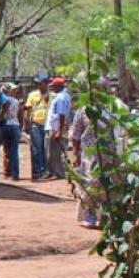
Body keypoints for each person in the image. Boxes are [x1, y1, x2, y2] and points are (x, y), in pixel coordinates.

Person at [70, 78, 123, 229]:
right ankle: (90, 215)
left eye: (101, 89)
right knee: (90, 185)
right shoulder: (83, 110)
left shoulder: (112, 109)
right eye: (94, 89)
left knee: (110, 186)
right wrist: (75, 154)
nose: (97, 92)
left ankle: (107, 216)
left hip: (109, 154)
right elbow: (75, 134)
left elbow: (120, 130)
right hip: (90, 155)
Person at [24, 75, 51, 181]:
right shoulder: (32, 95)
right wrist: (26, 124)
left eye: (40, 83)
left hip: (48, 126)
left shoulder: (52, 95)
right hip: (35, 125)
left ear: (46, 84)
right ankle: (37, 172)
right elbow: (27, 110)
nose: (38, 85)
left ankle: (45, 171)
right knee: (36, 149)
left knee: (46, 150)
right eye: (37, 83)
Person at [45, 76, 72, 179]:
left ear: (58, 86)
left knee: (55, 152)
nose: (52, 88)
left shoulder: (60, 97)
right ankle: (57, 172)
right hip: (57, 126)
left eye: (53, 86)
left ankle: (60, 173)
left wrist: (59, 131)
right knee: (56, 150)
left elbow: (61, 115)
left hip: (56, 127)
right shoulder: (65, 96)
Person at [0, 83, 22, 181]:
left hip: (4, 126)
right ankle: (15, 174)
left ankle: (6, 173)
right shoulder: (16, 101)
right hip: (15, 126)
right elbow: (20, 115)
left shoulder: (1, 100)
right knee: (14, 151)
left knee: (6, 150)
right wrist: (21, 126)